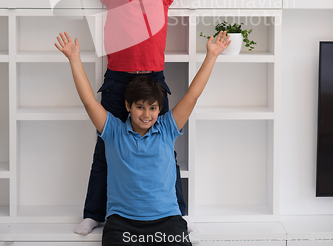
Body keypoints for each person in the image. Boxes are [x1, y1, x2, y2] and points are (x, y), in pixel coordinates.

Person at [65, 0, 208, 235]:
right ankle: (93, 212)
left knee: (164, 150)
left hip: (154, 81)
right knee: (106, 148)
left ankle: (176, 211)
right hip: (118, 83)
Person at [54, 30, 231, 245]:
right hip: (122, 223)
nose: (146, 115)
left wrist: (211, 56)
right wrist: (74, 59)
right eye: (140, 107)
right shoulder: (113, 131)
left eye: (153, 108)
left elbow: (192, 95)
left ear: (159, 109)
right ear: (128, 106)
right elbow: (89, 102)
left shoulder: (167, 128)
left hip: (167, 220)